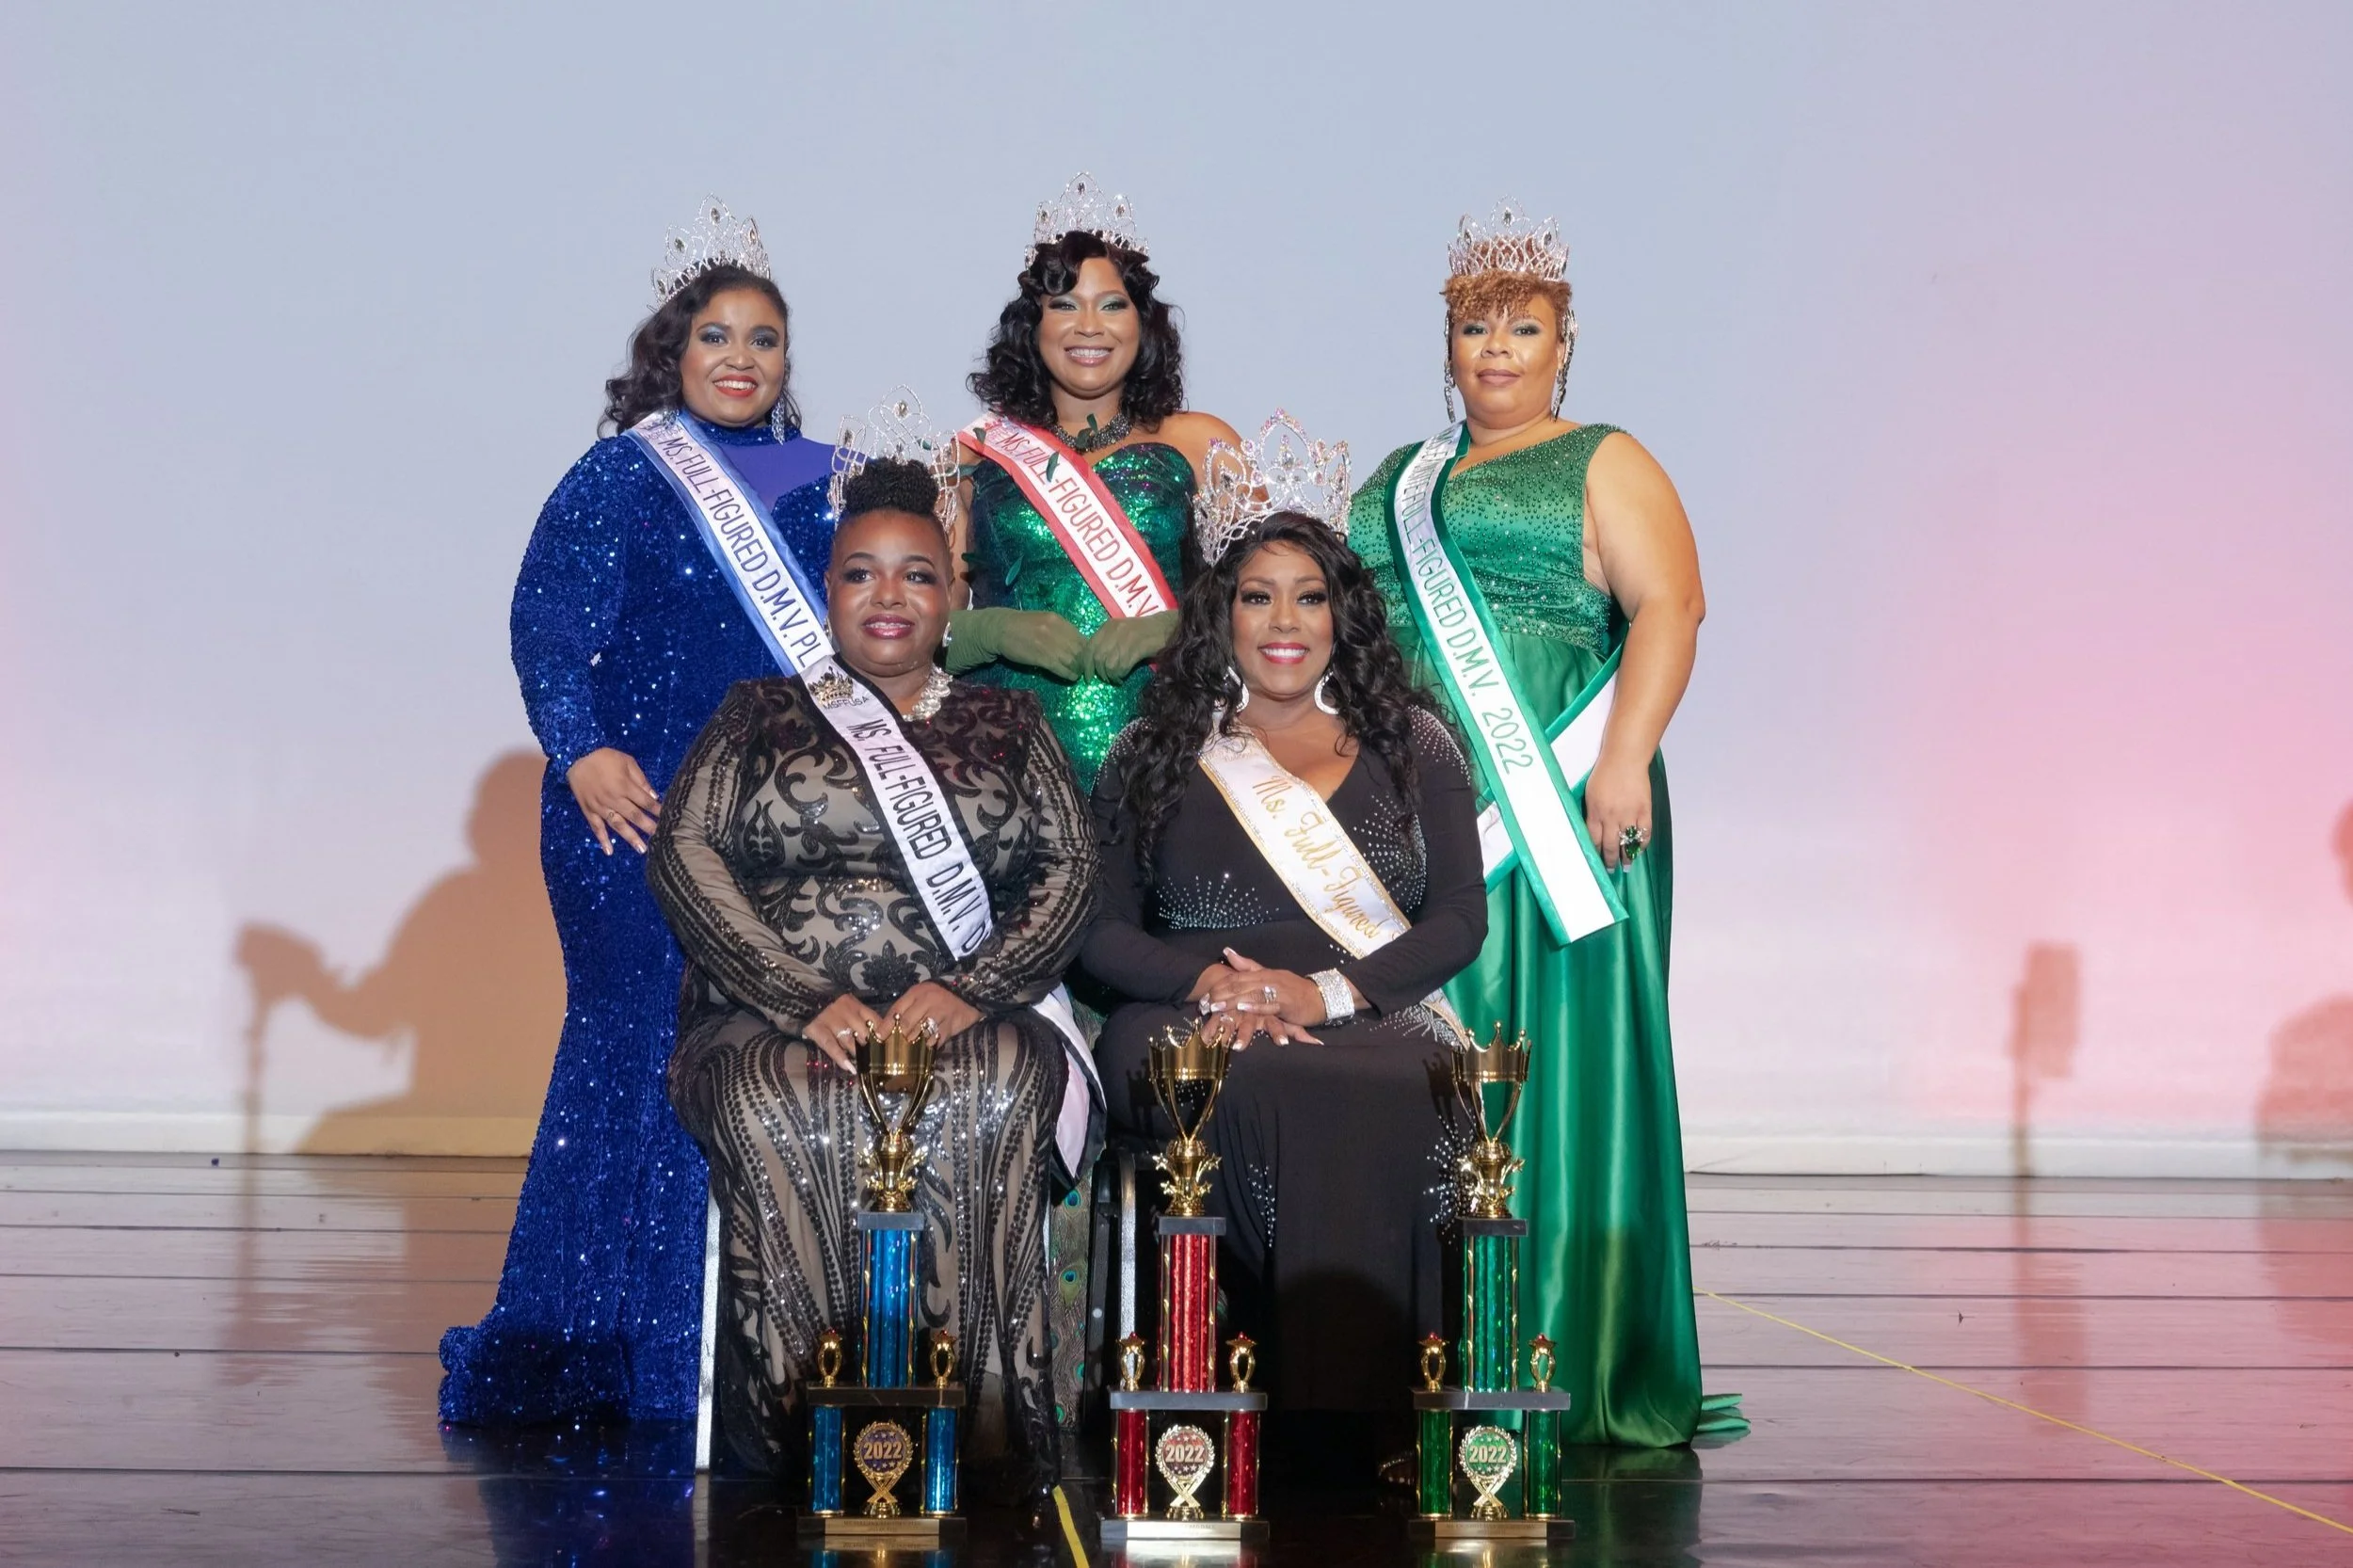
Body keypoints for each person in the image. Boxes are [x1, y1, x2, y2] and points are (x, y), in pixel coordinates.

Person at [440, 200, 840, 1426]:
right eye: (715, 334)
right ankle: (594, 1335)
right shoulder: (622, 472)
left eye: (764, 338)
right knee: (635, 1044)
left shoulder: (828, 483)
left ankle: (725, 1346)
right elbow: (547, 626)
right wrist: (580, 751)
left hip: (776, 825)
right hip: (632, 811)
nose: (740, 357)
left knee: (749, 1052)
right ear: (673, 349)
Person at [1348, 202, 1741, 1445]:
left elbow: (1671, 605)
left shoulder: (1603, 457)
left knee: (1565, 1060)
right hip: (1424, 814)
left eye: (1524, 328)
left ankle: (1567, 1343)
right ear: (1447, 346)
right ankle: (1442, 1342)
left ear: (1564, 345)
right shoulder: (1397, 481)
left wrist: (1622, 757)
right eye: (1477, 329)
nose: (1498, 349)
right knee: (1436, 1052)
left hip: (1568, 808)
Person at [648, 425, 1098, 1497]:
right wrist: (800, 998)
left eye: (917, 574)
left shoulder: (1009, 718)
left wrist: (973, 990)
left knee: (999, 1086)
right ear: (829, 590)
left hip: (972, 1014)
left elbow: (1073, 865)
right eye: (860, 573)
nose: (888, 596)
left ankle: (980, 1427)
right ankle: (801, 1425)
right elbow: (685, 851)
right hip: (773, 1020)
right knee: (774, 1100)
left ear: (953, 596)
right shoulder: (758, 712)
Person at [1083, 415, 1487, 1455]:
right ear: (1220, 612)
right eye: (1257, 596)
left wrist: (1324, 994)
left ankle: (1382, 1408)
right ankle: (1244, 1391)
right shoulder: (1152, 748)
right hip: (1184, 1012)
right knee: (1247, 1080)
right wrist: (1213, 991)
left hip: (1365, 1010)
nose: (1284, 622)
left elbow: (1458, 919)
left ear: (1342, 615)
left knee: (1404, 1082)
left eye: (1309, 597)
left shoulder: (1416, 743)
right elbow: (1098, 931)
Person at [950, 172, 1242, 792]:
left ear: (1143, 323)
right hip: (999, 768)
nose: (1089, 326)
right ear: (1032, 325)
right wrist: (988, 630)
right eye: (1064, 305)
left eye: (1112, 305)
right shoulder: (977, 451)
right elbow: (921, 623)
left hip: (1166, 759)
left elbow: (1273, 598)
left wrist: (1175, 628)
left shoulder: (1203, 443)